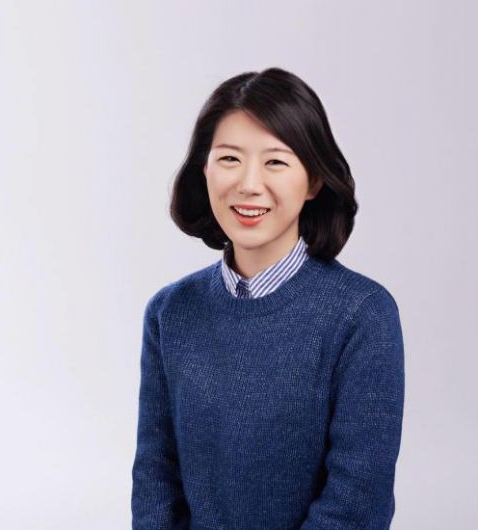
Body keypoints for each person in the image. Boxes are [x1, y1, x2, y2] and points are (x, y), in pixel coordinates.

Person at [131, 67, 405, 530]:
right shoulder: (170, 312)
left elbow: (357, 501)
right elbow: (155, 482)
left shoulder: (362, 314)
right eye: (229, 158)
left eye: (275, 162)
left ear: (313, 180)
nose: (248, 184)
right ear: (204, 169)